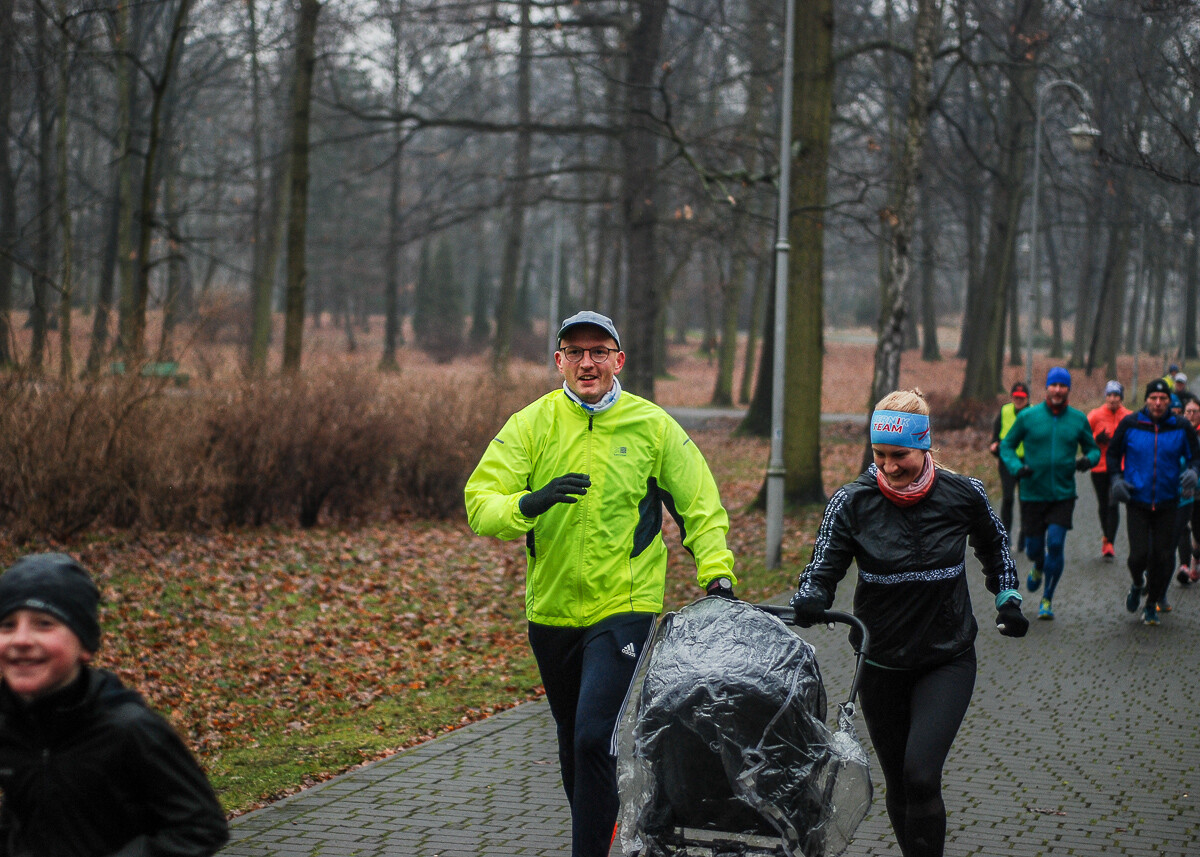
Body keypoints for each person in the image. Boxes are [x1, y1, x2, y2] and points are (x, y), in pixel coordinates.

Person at [464, 310, 735, 857]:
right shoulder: (531, 424)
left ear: (619, 360)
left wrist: (717, 574)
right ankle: (606, 830)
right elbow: (479, 503)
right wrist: (529, 503)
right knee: (573, 743)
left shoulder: (652, 426)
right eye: (575, 352)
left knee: (594, 735)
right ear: (559, 361)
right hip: (552, 609)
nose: (587, 363)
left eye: (599, 351)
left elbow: (700, 504)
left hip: (624, 604)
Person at [789, 389, 1027, 857]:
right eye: (879, 455)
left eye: (900, 455)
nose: (889, 466)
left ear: (924, 445)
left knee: (921, 774)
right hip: (881, 664)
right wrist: (813, 595)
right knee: (899, 780)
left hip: (946, 658)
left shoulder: (963, 494)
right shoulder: (852, 502)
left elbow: (995, 545)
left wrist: (1008, 598)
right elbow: (824, 565)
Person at [0, 552, 229, 856]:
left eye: (44, 623)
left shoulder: (130, 729)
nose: (21, 639)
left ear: (85, 644)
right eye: (7, 625)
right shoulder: (9, 725)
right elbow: (23, 812)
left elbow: (202, 826)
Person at [999, 367, 1100, 621]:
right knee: (1034, 549)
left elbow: (1094, 449)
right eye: (1053, 385)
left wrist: (1088, 460)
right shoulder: (1029, 417)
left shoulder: (1078, 419)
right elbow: (1006, 446)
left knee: (1055, 544)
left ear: (1068, 389)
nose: (1057, 390)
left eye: (1062, 386)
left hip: (1063, 494)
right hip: (1033, 493)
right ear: (1047, 388)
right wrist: (1016, 467)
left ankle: (1047, 598)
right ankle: (1038, 565)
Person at [1107, 379, 1200, 625]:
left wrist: (1194, 472)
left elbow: (1196, 457)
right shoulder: (1131, 423)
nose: (1158, 403)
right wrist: (1116, 479)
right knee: (1138, 556)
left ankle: (1151, 605)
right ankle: (1138, 583)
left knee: (1162, 557)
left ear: (1169, 401)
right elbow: (1113, 454)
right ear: (1146, 400)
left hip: (1168, 502)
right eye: (1153, 398)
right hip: (1137, 500)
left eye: (1163, 399)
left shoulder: (1181, 426)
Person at [1087, 380, 1131, 559]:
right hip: (1098, 466)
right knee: (1103, 504)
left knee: (1113, 503)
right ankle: (1106, 536)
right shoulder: (1095, 415)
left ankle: (1110, 541)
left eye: (1116, 395)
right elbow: (1083, 437)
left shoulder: (1128, 416)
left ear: (1121, 397)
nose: (1113, 399)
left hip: (1119, 467)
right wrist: (1096, 438)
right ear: (1105, 396)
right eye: (1110, 395)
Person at [988, 381, 1030, 548]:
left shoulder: (1034, 413)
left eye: (1022, 398)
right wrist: (994, 447)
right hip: (1007, 462)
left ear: (1027, 398)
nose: (1018, 400)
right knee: (1007, 498)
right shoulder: (1004, 411)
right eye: (1016, 397)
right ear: (1012, 397)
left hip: (1026, 462)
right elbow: (995, 437)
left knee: (1025, 499)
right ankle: (1006, 534)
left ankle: (1024, 535)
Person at [1178, 398, 1200, 587]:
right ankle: (1184, 567)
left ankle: (1196, 557)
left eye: (1195, 412)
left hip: (1199, 492)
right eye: (1188, 411)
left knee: (1198, 533)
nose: (1191, 415)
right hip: (1182, 491)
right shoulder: (1177, 433)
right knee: (1182, 528)